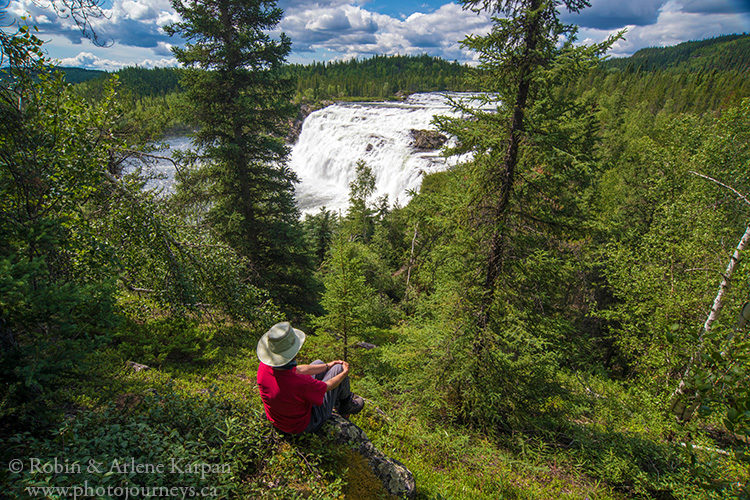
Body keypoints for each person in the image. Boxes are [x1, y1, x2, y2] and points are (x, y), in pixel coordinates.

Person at [256, 321, 364, 434]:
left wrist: (327, 366)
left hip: (279, 418)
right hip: (303, 425)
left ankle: (339, 399)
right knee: (339, 368)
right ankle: (345, 405)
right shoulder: (299, 382)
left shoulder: (265, 367)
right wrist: (344, 373)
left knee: (318, 363)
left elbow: (297, 370)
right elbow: (327, 386)